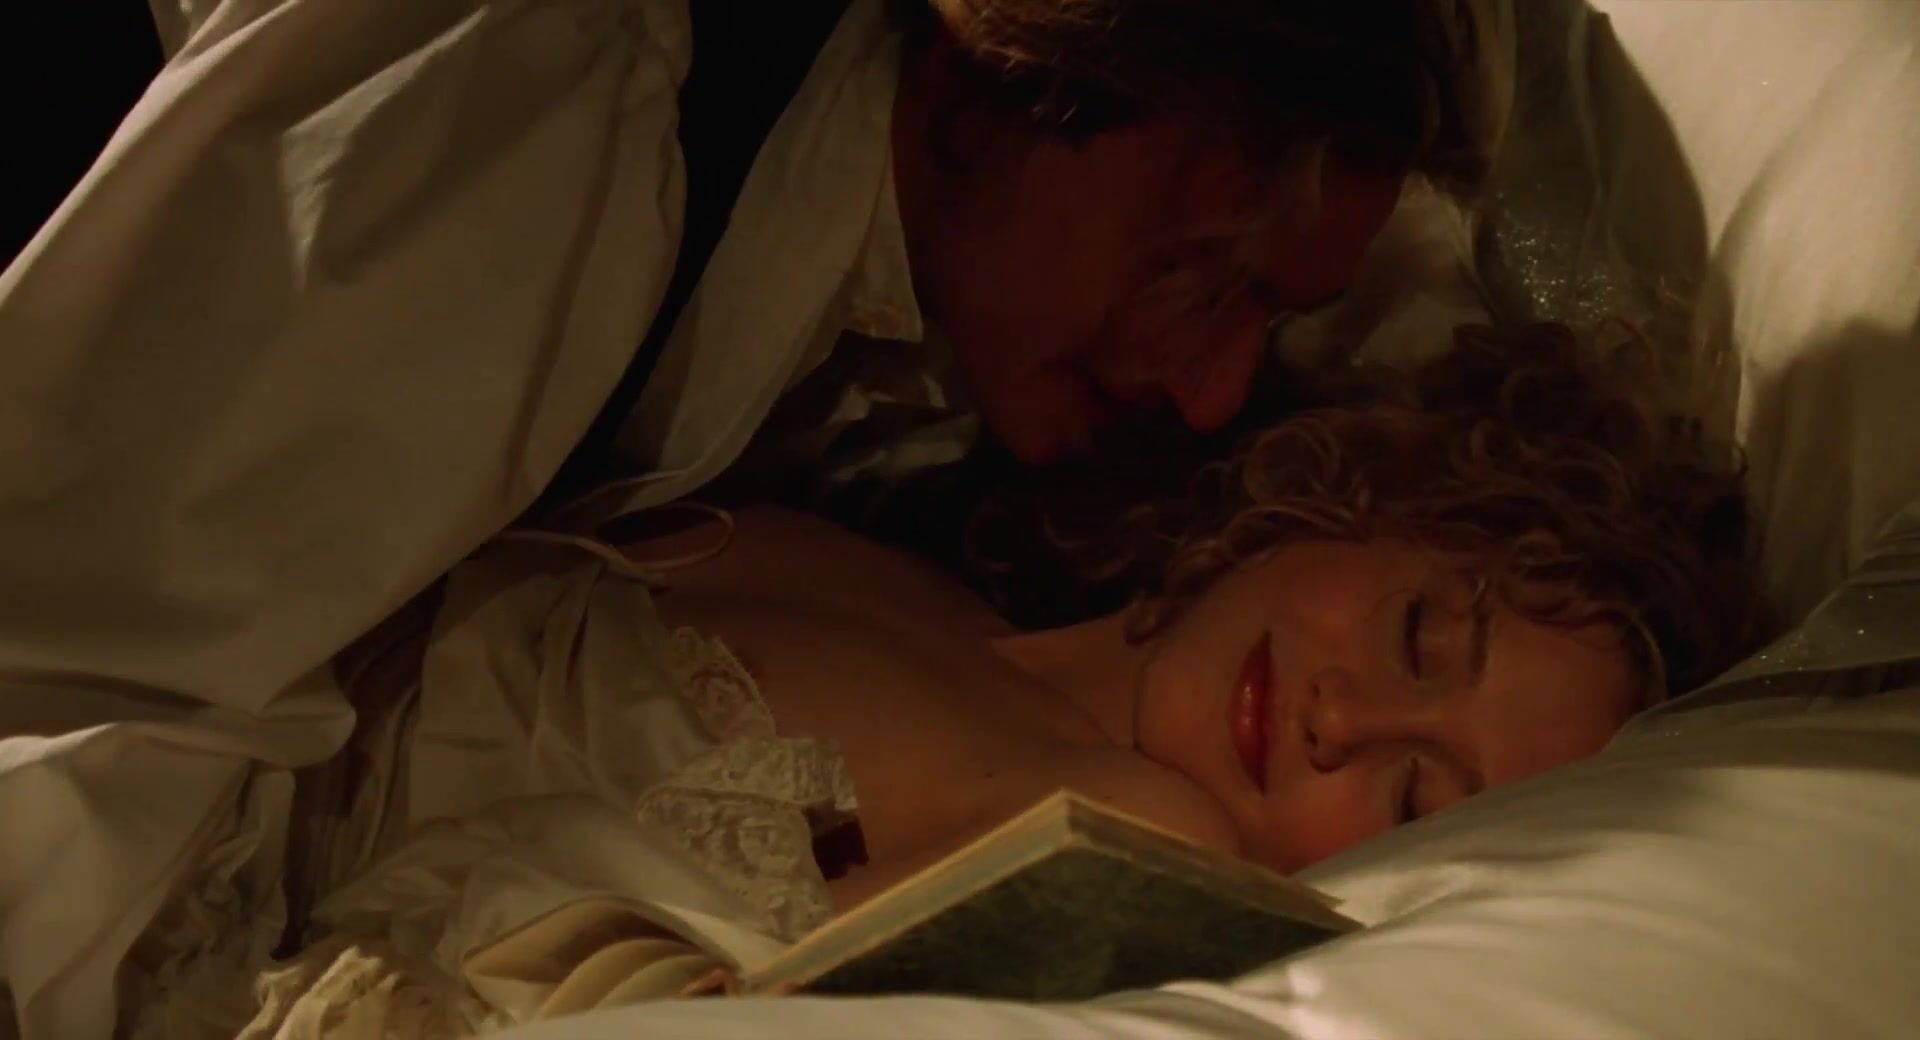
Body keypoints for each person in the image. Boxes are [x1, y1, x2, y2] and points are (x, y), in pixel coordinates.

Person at [0, 5, 1511, 1035]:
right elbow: (87, 659)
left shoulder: (913, 340)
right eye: (1200, 268)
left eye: (1268, 313)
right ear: (1020, 70)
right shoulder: (560, 100)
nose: (1211, 386)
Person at [121, 322, 1767, 1036]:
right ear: (1372, 501)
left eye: (1411, 795)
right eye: (1419, 636)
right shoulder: (905, 538)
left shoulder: (1138, 834)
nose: (1345, 718)